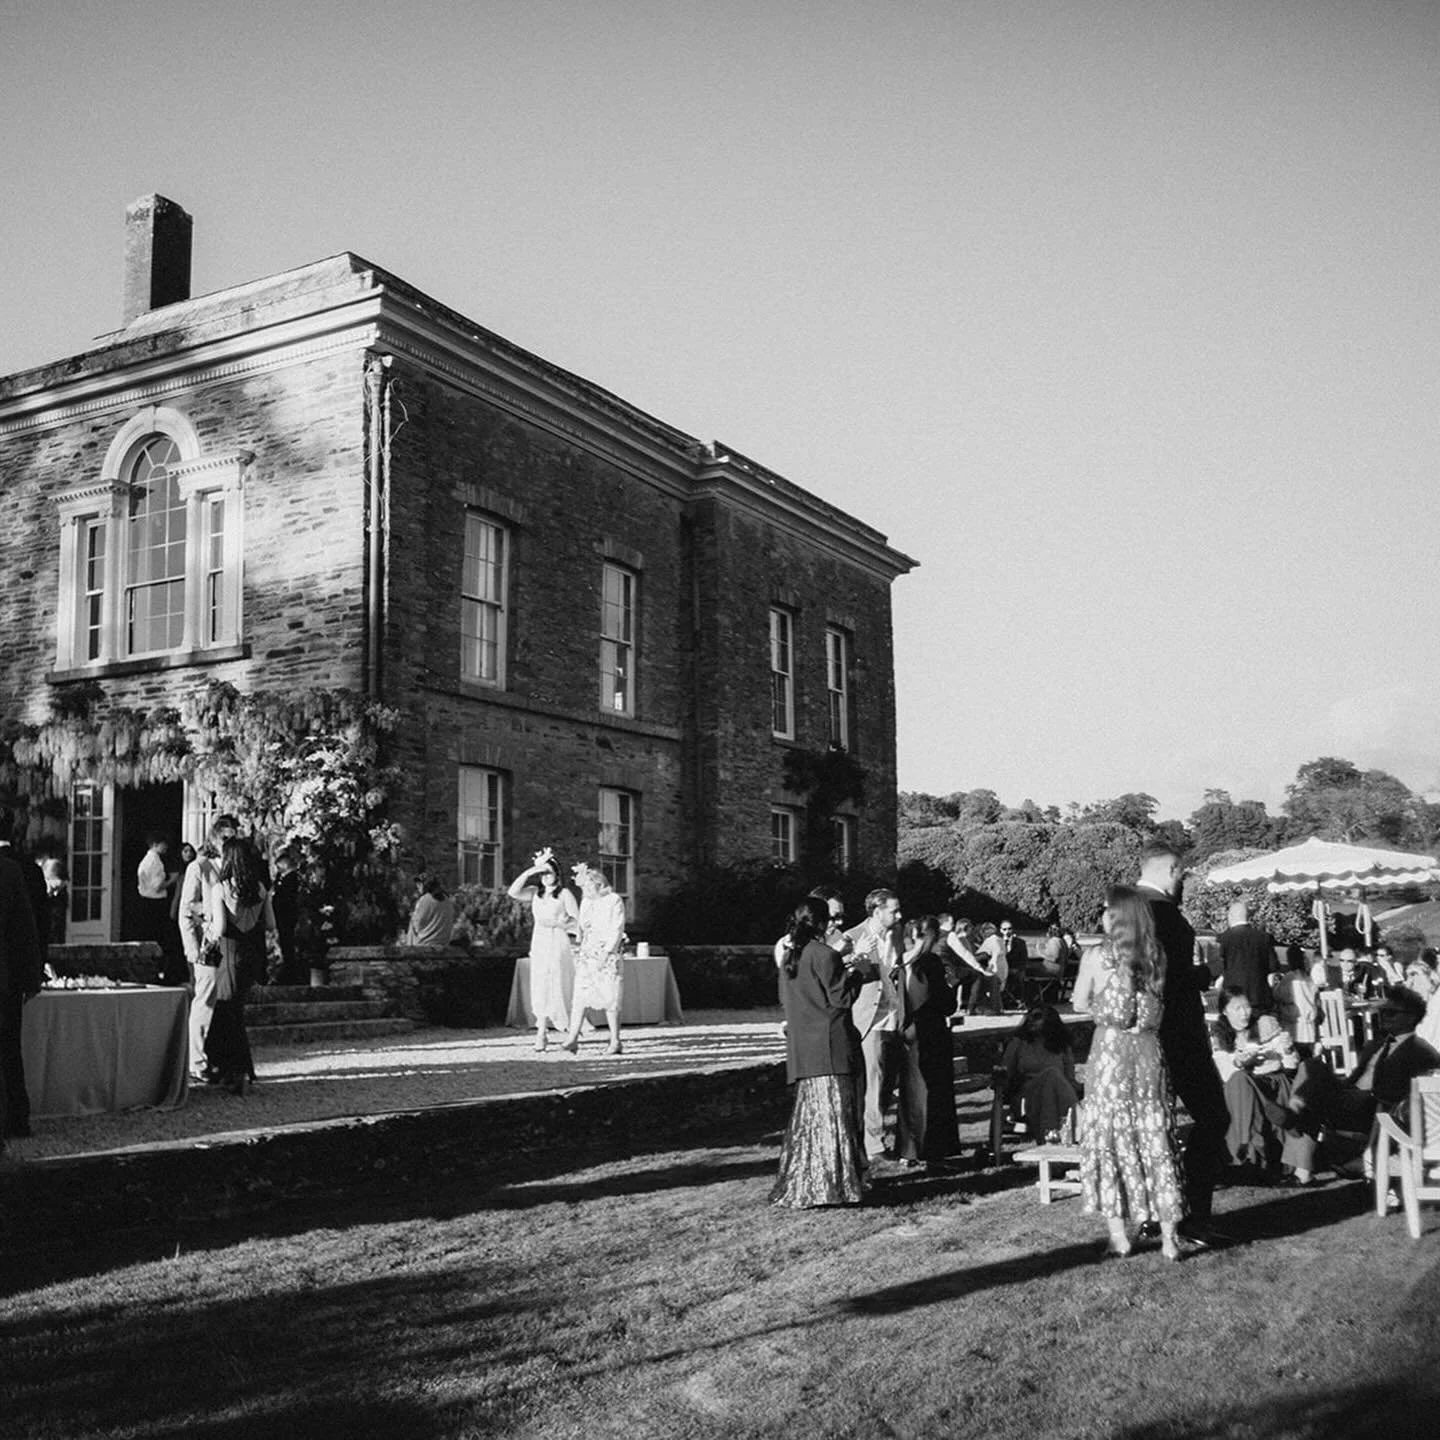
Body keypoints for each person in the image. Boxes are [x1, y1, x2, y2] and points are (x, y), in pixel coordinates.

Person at [1079, 886, 1187, 1261]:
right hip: (1148, 1054)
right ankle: (1170, 1239)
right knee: (1155, 1139)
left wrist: (1100, 1006)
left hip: (1110, 1053)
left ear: (1117, 915)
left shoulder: (1095, 956)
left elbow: (1079, 1000)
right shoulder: (1157, 956)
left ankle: (1120, 1237)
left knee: (1110, 1140)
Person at [1135, 838, 1231, 1244]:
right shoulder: (1161, 913)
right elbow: (1165, 979)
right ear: (1172, 870)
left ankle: (1153, 1211)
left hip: (1141, 1037)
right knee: (1213, 1117)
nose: (1184, 881)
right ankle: (1192, 1216)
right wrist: (1207, 973)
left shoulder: (1125, 909)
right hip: (1176, 1032)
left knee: (1153, 1126)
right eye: (1182, 873)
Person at [1282, 986, 1440, 1185]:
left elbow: (1421, 1096)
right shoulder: (1375, 1044)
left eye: (1391, 1013)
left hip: (1377, 1107)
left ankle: (1294, 1119)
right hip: (1352, 1096)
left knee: (1309, 1098)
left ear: (1411, 1017)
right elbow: (1354, 1077)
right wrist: (1339, 1087)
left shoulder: (1422, 1052)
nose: (1383, 1017)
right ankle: (1296, 1116)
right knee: (1311, 1066)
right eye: (1382, 1012)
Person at [771, 896, 866, 1207]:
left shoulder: (790, 956)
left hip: (804, 1047)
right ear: (823, 923)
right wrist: (859, 973)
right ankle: (833, 1184)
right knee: (835, 1116)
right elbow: (842, 999)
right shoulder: (825, 955)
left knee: (809, 1120)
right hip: (830, 1044)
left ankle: (804, 1181)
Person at [203, 836, 275, 1095]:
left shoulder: (221, 888)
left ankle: (235, 1070)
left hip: (230, 951)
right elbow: (270, 924)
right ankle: (233, 1070)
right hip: (251, 953)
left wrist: (207, 925)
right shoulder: (260, 888)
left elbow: (221, 928)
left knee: (227, 1012)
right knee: (232, 1011)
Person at [1210, 989, 1300, 1177]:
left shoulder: (1264, 1025)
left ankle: (1252, 1149)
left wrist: (1289, 1048)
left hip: (1271, 1082)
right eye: (1237, 1008)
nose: (1244, 1013)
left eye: (1247, 1007)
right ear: (1225, 1011)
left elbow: (1290, 1064)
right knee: (1240, 1080)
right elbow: (1225, 1073)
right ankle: (1249, 1144)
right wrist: (1240, 1061)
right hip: (1243, 1087)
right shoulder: (1220, 1035)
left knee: (1263, 1080)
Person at [843, 888, 904, 1161]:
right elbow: (837, 973)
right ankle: (874, 1143)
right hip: (870, 1020)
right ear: (877, 911)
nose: (899, 915)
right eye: (894, 910)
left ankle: (877, 1134)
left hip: (894, 1016)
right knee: (874, 1082)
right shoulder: (853, 938)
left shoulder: (897, 936)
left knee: (887, 1081)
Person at [895, 916, 961, 1166]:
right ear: (932, 935)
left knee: (911, 1091)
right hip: (931, 1031)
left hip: (909, 1030)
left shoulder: (903, 961)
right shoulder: (931, 962)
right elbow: (945, 1004)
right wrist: (952, 985)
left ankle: (908, 1149)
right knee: (934, 1091)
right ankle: (934, 1149)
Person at [179, 815, 239, 1083]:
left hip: (230, 944)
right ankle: (196, 1060)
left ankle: (220, 1058)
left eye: (232, 837)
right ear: (214, 838)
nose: (228, 842)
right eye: (225, 837)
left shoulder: (234, 866)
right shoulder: (199, 867)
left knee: (225, 1004)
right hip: (207, 945)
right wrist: (191, 949)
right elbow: (186, 911)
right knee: (204, 1001)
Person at [0, 806, 46, 1147]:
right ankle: (16, 1118)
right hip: (5, 979)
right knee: (9, 1050)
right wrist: (31, 978)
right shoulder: (11, 871)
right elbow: (26, 932)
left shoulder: (11, 871)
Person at [508, 847, 578, 1052]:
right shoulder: (534, 893)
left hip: (557, 941)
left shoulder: (564, 894)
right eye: (544, 873)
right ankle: (541, 1033)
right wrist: (531, 872)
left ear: (557, 874)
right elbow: (513, 891)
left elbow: (576, 920)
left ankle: (567, 1027)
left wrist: (561, 924)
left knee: (555, 982)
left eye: (550, 873)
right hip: (539, 942)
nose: (547, 877)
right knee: (539, 984)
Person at [561, 863, 627, 1056]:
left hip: (607, 954)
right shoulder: (586, 903)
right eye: (585, 887)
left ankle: (615, 1040)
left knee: (611, 998)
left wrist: (607, 952)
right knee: (580, 996)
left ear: (599, 884)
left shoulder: (613, 900)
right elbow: (582, 928)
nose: (587, 890)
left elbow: (617, 927)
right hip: (587, 953)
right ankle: (573, 1038)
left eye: (590, 886)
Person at [1001, 1005, 1080, 1142]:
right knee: (1052, 1074)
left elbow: (1070, 1079)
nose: (1031, 1020)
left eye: (1037, 1017)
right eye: (1029, 1017)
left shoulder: (1062, 1046)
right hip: (1027, 1094)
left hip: (1057, 1093)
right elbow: (1006, 1074)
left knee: (1053, 1079)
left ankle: (1053, 1136)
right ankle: (1067, 1130)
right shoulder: (1019, 1043)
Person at [1216, 900, 1276, 1013]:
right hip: (1259, 997)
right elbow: (1272, 970)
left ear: (1232, 916)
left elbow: (1220, 967)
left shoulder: (1223, 939)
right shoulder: (1264, 938)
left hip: (1233, 999)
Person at [1270, 948, 1320, 1055]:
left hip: (1294, 1026)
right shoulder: (1308, 978)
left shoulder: (1290, 978)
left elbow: (1278, 995)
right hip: (1309, 1025)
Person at [939, 914, 986, 1015]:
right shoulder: (950, 935)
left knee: (958, 976)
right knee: (977, 975)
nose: (953, 925)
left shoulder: (933, 934)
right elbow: (964, 953)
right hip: (949, 969)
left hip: (936, 968)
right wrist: (979, 968)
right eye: (951, 922)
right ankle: (971, 1008)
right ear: (945, 923)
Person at [270, 849, 303, 984]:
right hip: (284, 917)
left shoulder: (291, 879)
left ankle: (290, 973)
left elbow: (285, 899)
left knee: (288, 944)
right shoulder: (285, 879)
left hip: (287, 917)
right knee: (286, 944)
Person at [403, 874, 455, 948]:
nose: (418, 887)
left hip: (425, 945)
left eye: (419, 884)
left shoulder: (425, 899)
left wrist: (413, 917)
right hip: (443, 944)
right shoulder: (447, 900)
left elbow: (418, 925)